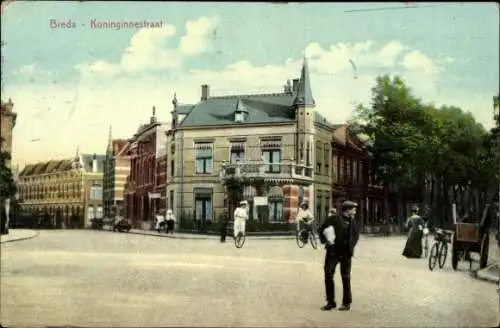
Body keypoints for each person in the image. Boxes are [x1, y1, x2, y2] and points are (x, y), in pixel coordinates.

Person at [319, 200, 360, 311]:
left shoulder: (353, 222)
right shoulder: (334, 219)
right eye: (353, 208)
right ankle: (330, 302)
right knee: (328, 274)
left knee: (346, 277)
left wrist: (351, 246)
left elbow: (356, 236)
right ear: (347, 210)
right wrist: (327, 241)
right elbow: (321, 229)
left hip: (346, 254)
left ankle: (346, 303)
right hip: (333, 252)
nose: (355, 210)